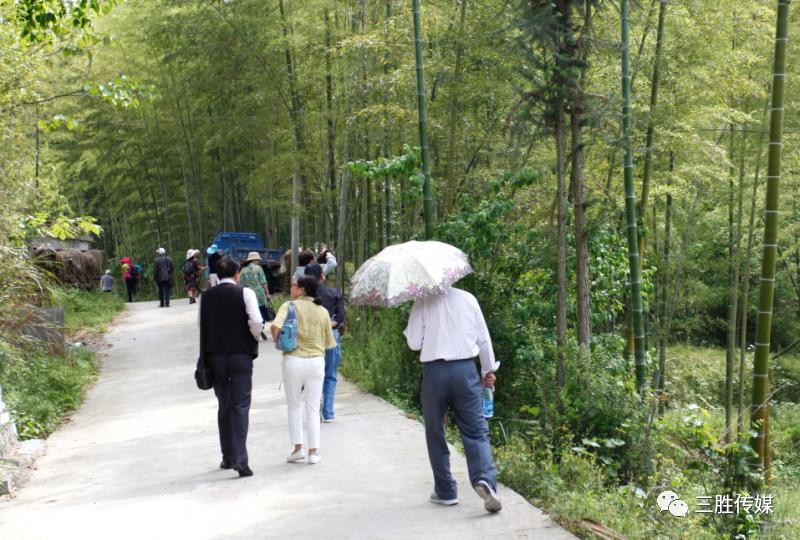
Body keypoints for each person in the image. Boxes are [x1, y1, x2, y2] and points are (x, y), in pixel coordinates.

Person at [403, 285, 502, 513]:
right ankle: (485, 480)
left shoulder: (422, 302)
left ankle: (446, 491)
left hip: (434, 373)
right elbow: (484, 340)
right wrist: (487, 371)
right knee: (476, 430)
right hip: (465, 370)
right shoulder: (468, 298)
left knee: (435, 430)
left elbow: (414, 344)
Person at [199, 256, 264, 478]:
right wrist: (253, 337)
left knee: (224, 405)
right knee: (240, 406)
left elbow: (202, 326)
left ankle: (227, 457)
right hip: (240, 356)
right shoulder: (246, 293)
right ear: (237, 274)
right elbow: (256, 322)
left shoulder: (206, 297)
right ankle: (240, 460)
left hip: (215, 357)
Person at [271, 276, 335, 465]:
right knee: (313, 409)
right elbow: (329, 342)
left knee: (294, 406)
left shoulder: (289, 306)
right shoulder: (323, 311)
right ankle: (313, 453)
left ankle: (298, 449)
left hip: (293, 360)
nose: (291, 288)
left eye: (293, 285)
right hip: (316, 362)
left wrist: (280, 340)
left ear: (301, 290)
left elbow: (275, 327)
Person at [304, 264, 345, 422]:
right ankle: (327, 413)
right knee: (330, 375)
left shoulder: (303, 296)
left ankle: (313, 412)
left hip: (308, 337)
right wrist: (326, 325)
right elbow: (339, 317)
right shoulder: (334, 292)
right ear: (322, 276)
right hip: (330, 336)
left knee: (311, 376)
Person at [239, 251, 272, 340]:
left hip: (248, 293)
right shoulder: (258, 268)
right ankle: (260, 328)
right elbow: (264, 282)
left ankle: (251, 329)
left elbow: (241, 284)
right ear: (255, 259)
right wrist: (267, 293)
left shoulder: (243, 270)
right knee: (262, 311)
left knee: (250, 311)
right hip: (259, 293)